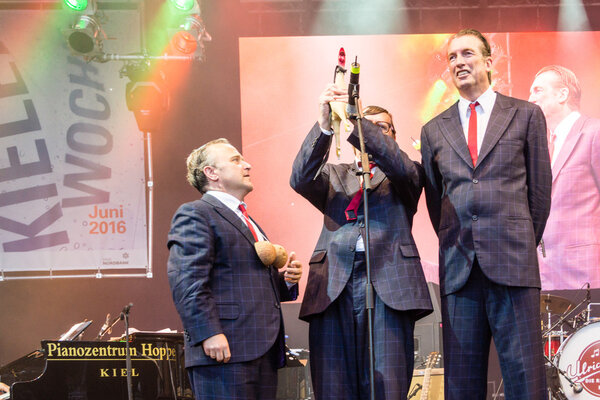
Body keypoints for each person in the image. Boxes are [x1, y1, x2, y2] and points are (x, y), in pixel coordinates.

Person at [420, 29, 552, 399]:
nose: (459, 62)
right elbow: (436, 201)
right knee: (461, 383)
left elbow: (540, 192)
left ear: (488, 61)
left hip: (513, 262)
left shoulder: (526, 114)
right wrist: (459, 239)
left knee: (525, 378)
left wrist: (521, 238)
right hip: (460, 270)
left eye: (467, 54)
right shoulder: (434, 129)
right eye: (452, 57)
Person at [290, 85, 433, 399]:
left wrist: (359, 121)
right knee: (332, 386)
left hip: (389, 283)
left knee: (387, 387)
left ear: (393, 136)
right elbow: (299, 178)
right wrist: (327, 125)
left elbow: (399, 165)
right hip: (333, 287)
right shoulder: (333, 175)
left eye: (382, 128)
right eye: (363, 126)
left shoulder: (407, 175)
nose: (371, 133)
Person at [167, 138, 302, 400]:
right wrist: (209, 333)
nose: (247, 165)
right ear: (211, 172)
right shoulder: (196, 213)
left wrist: (284, 281)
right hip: (223, 348)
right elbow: (186, 280)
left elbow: (245, 279)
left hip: (259, 348)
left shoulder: (247, 219)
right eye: (236, 160)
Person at [528, 65, 600, 290]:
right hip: (545, 274)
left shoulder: (594, 132)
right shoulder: (541, 144)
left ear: (563, 94)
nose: (530, 98)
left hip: (585, 270)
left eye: (538, 90)